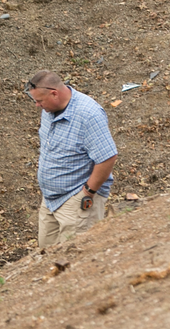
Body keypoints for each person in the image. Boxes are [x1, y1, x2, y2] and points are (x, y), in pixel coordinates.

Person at [25, 70, 118, 248]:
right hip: (50, 200)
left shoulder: (89, 115)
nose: (37, 105)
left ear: (54, 93)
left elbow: (107, 157)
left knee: (73, 259)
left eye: (39, 100)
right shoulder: (50, 108)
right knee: (45, 258)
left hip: (77, 199)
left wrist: (88, 192)